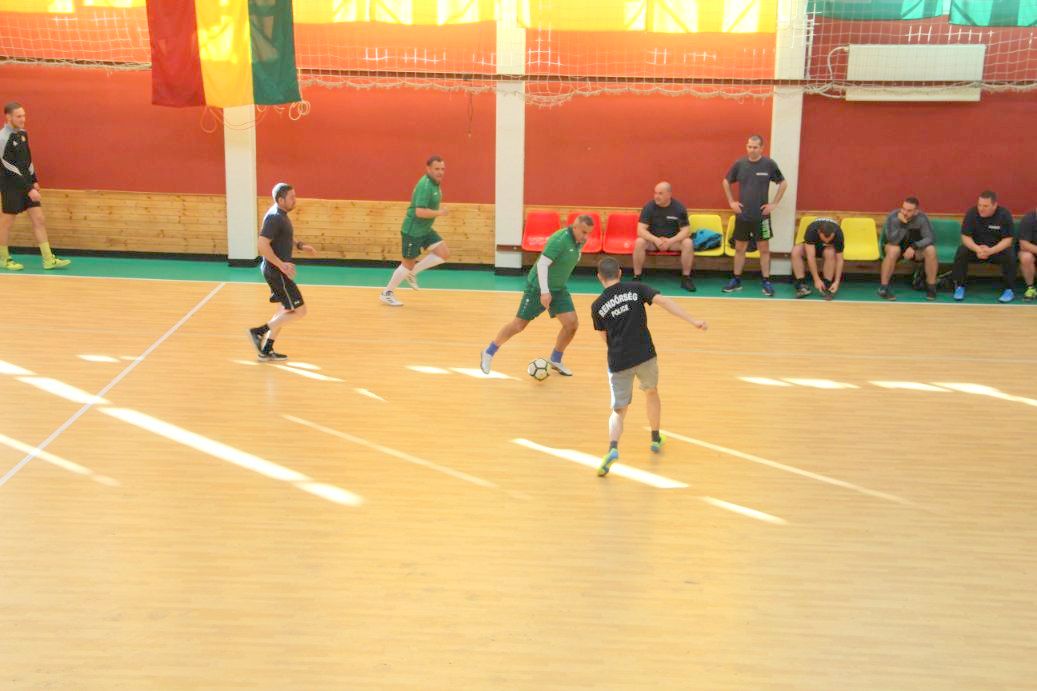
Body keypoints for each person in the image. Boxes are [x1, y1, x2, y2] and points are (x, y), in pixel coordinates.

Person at [591, 256, 707, 477]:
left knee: (618, 410)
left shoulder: (597, 306)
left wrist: (617, 351)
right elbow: (664, 302)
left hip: (618, 361)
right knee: (651, 392)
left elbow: (604, 336)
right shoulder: (636, 288)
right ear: (620, 273)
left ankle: (613, 447)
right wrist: (693, 321)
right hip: (645, 355)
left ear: (599, 277)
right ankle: (655, 438)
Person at [480, 216, 593, 376]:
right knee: (518, 325)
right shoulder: (559, 240)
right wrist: (545, 291)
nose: (586, 236)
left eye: (588, 233)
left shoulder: (579, 241)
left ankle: (555, 359)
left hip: (558, 289)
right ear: (574, 227)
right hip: (538, 287)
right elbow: (542, 264)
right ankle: (489, 352)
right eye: (584, 232)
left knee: (571, 324)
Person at [248, 183, 315, 361]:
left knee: (283, 310)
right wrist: (281, 265)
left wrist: (300, 245)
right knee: (300, 311)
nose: (295, 200)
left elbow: (285, 235)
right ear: (280, 199)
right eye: (291, 197)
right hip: (277, 272)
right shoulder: (275, 218)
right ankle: (259, 332)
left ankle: (266, 349)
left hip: (275, 271)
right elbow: (262, 245)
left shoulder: (280, 215)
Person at [0, 102, 70, 271]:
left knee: (39, 219)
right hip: (11, 186)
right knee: (6, 223)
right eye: (19, 116)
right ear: (8, 117)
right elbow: (8, 166)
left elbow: (28, 160)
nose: (23, 119)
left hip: (27, 184)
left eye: (24, 115)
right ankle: (3, 258)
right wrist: (29, 188)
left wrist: (34, 180)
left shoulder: (23, 134)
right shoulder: (2, 138)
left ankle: (48, 259)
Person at [721, 134, 786, 296]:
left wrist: (774, 204)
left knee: (764, 249)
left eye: (755, 147)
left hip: (762, 217)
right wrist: (731, 202)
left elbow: (783, 183)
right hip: (743, 215)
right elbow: (726, 181)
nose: (752, 150)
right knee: (740, 248)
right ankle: (736, 280)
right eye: (749, 146)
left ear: (762, 148)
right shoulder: (740, 164)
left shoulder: (769, 164)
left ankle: (766, 281)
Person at [380, 155, 449, 306]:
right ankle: (387, 293)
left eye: (442, 169)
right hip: (413, 231)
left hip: (425, 229)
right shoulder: (425, 186)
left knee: (443, 253)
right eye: (437, 169)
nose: (440, 172)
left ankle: (412, 273)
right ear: (428, 169)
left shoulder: (435, 183)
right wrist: (440, 213)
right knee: (407, 264)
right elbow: (419, 212)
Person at [951, 190, 1016, 303]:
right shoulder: (972, 213)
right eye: (979, 205)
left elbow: (1008, 240)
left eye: (985, 206)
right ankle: (960, 286)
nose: (981, 208)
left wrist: (991, 251)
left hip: (996, 250)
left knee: (1009, 254)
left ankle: (1009, 289)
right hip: (976, 250)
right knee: (961, 251)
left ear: (994, 205)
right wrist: (977, 249)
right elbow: (965, 237)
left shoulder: (1004, 215)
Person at [633, 181, 696, 291]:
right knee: (639, 242)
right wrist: (656, 240)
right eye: (655, 193)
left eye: (660, 193)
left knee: (688, 243)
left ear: (669, 194)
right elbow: (640, 230)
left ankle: (686, 278)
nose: (656, 196)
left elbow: (686, 231)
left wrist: (671, 241)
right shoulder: (649, 207)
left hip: (672, 243)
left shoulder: (679, 208)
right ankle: (637, 277)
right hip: (653, 242)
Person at [879, 196, 938, 301]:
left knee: (931, 250)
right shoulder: (893, 217)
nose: (905, 213)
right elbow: (892, 240)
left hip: (914, 249)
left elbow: (930, 238)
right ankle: (883, 288)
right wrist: (902, 223)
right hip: (896, 246)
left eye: (909, 211)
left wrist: (914, 247)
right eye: (903, 209)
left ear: (916, 212)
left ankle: (931, 287)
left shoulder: (922, 218)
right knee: (893, 250)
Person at [791, 217, 844, 301]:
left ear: (834, 233)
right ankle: (802, 286)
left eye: (829, 240)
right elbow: (810, 257)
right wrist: (816, 279)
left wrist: (837, 281)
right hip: (813, 246)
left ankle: (827, 285)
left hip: (827, 249)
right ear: (819, 232)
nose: (826, 242)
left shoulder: (838, 233)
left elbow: (840, 260)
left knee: (830, 252)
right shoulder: (811, 230)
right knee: (796, 250)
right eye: (824, 239)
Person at [1016, 207, 1036, 301]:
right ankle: (1031, 288)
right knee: (1026, 257)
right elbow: (1024, 245)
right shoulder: (1028, 219)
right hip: (1031, 251)